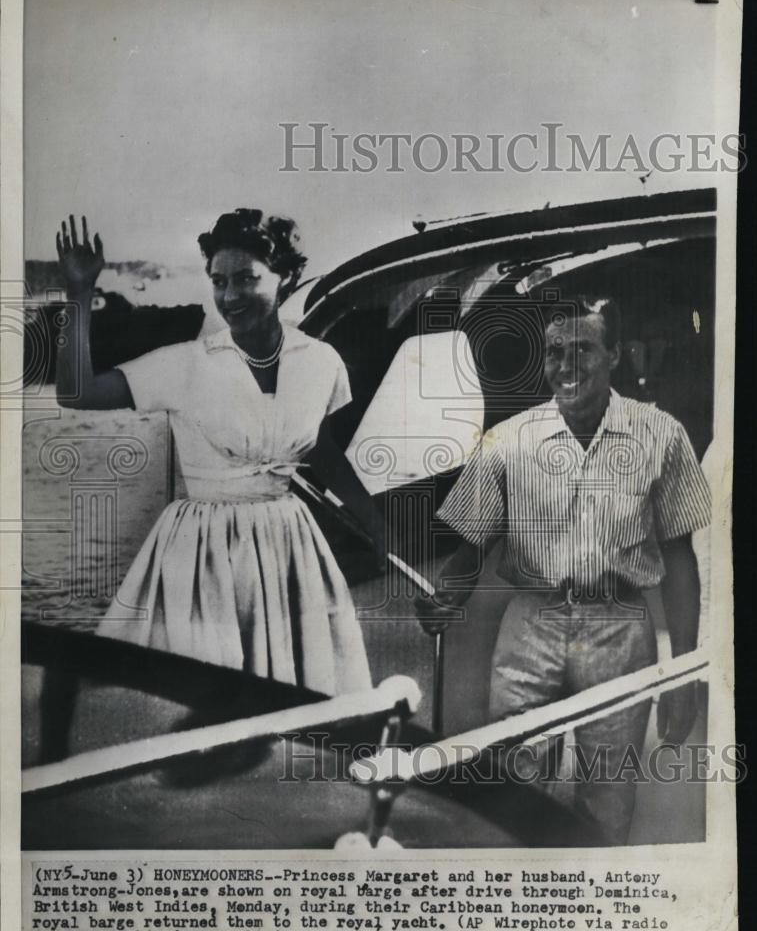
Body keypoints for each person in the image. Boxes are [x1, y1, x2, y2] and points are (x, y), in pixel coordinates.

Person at [416, 296, 711, 844]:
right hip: (530, 627)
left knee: (608, 800)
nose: (567, 365)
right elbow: (471, 547)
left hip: (620, 629)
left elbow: (679, 560)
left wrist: (683, 677)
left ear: (615, 355)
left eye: (584, 349)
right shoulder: (508, 440)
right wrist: (446, 595)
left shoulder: (662, 435)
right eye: (555, 352)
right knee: (514, 795)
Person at [55, 211, 384, 696]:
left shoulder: (320, 362)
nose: (230, 296)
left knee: (299, 691)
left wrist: (381, 530)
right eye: (219, 281)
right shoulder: (186, 363)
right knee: (201, 696)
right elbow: (76, 392)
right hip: (202, 551)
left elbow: (325, 452)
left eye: (246, 278)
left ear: (286, 278)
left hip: (289, 543)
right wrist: (79, 293)